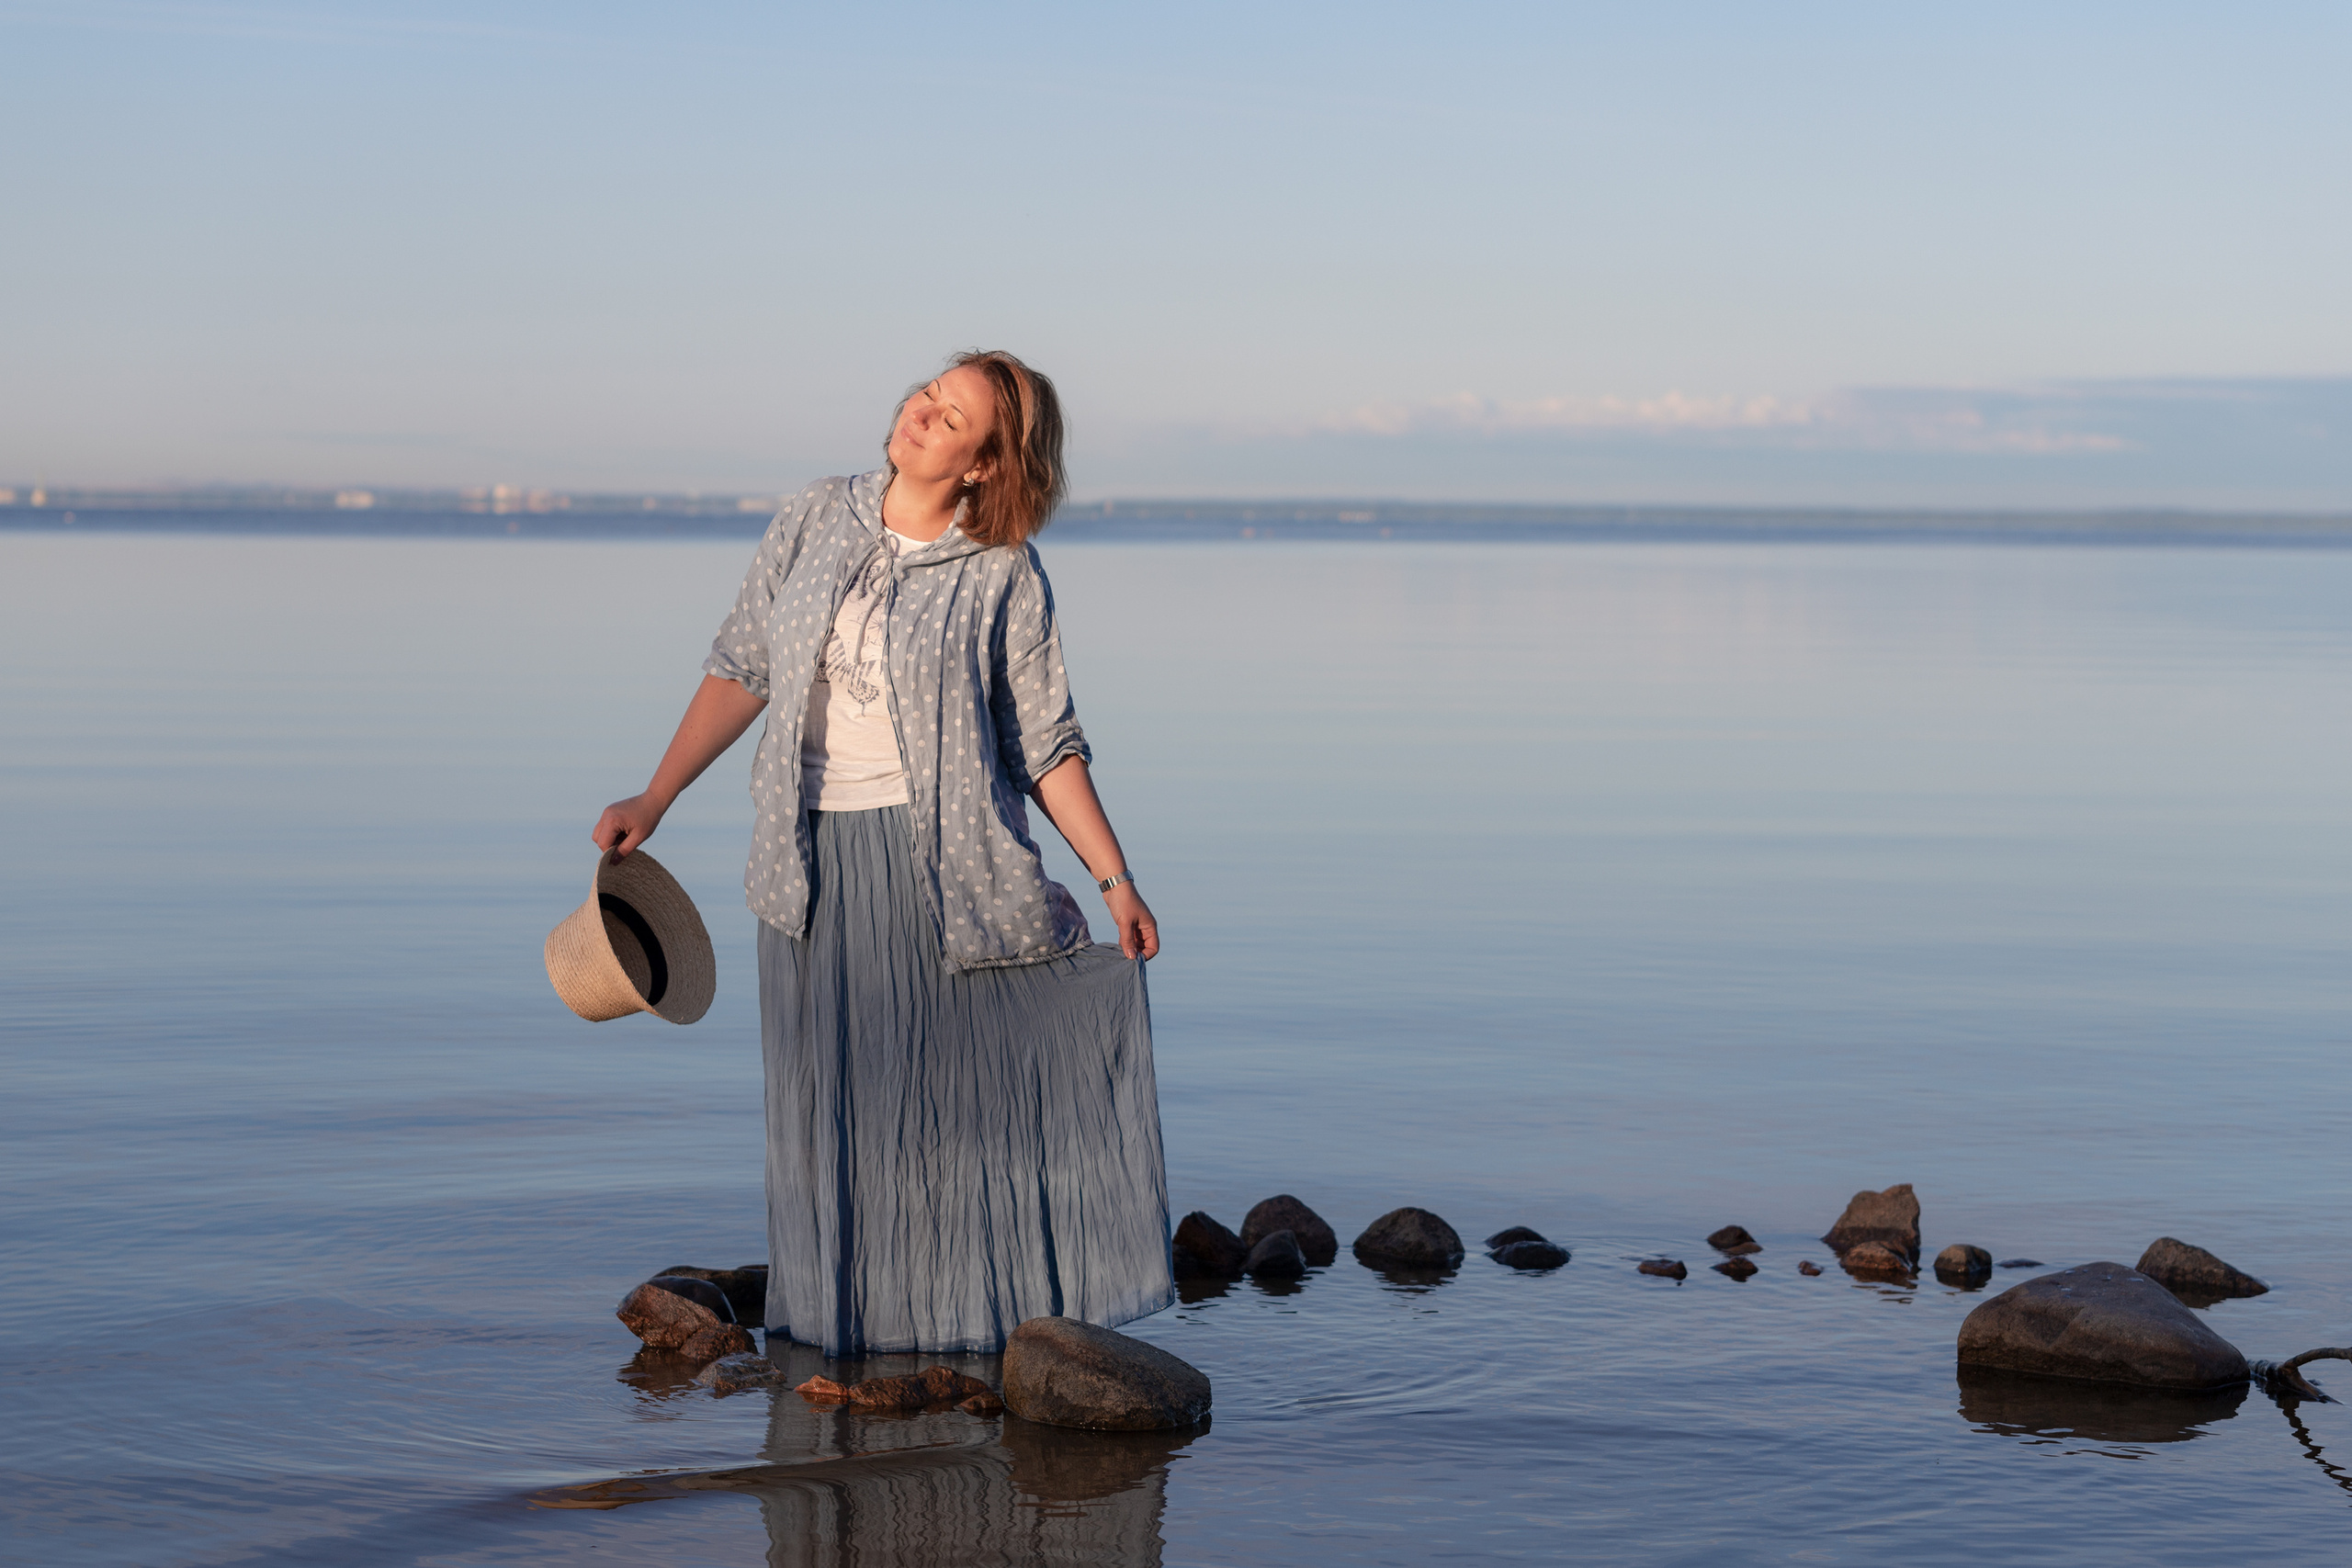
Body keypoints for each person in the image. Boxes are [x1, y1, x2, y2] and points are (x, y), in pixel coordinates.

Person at [592, 351, 1171, 1357]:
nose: (921, 413)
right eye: (927, 394)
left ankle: (959, 1325)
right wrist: (657, 793)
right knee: (823, 1109)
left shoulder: (1003, 573)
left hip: (934, 866)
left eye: (952, 418)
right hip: (802, 861)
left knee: (931, 1106)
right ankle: (835, 1331)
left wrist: (1114, 880)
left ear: (988, 464)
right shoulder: (817, 515)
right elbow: (742, 668)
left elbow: (1045, 743)